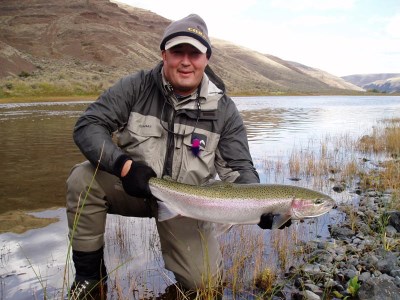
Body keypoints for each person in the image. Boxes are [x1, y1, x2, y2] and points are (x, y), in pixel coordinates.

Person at [66, 13, 289, 299]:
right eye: (177, 52)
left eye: (194, 53)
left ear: (206, 58)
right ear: (164, 54)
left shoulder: (223, 110)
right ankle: (90, 278)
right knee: (83, 179)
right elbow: (88, 126)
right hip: (135, 186)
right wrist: (123, 166)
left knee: (203, 286)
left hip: (190, 203)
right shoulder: (136, 87)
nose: (186, 61)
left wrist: (263, 206)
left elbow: (239, 167)